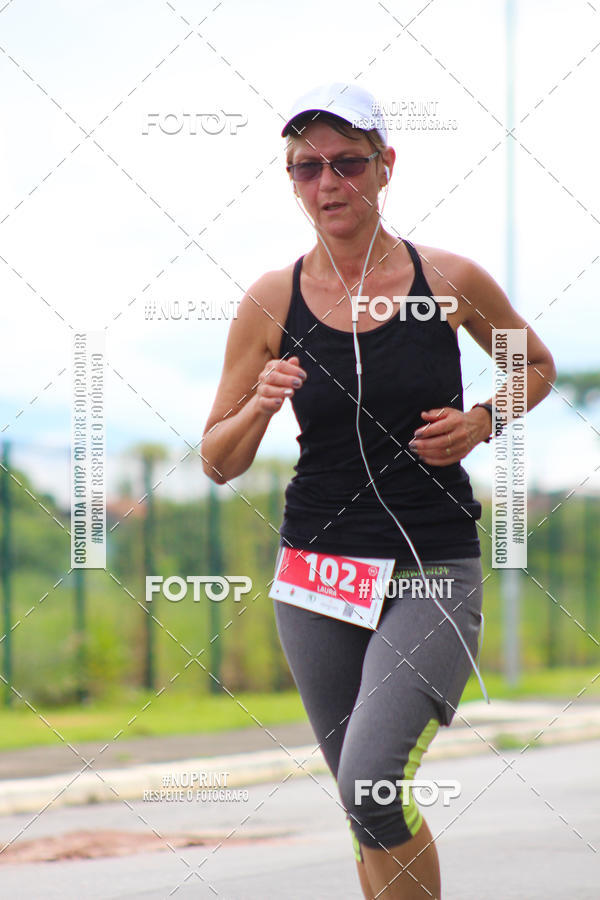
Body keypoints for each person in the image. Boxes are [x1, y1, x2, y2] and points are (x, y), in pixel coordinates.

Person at [202, 82, 556, 899]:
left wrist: (480, 420)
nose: (328, 184)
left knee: (372, 781)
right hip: (317, 575)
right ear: (292, 181)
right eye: (305, 168)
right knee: (364, 806)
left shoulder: (452, 279)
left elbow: (532, 366)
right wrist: (258, 406)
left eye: (348, 163)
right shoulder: (271, 299)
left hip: (430, 566)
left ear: (386, 166)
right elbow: (218, 462)